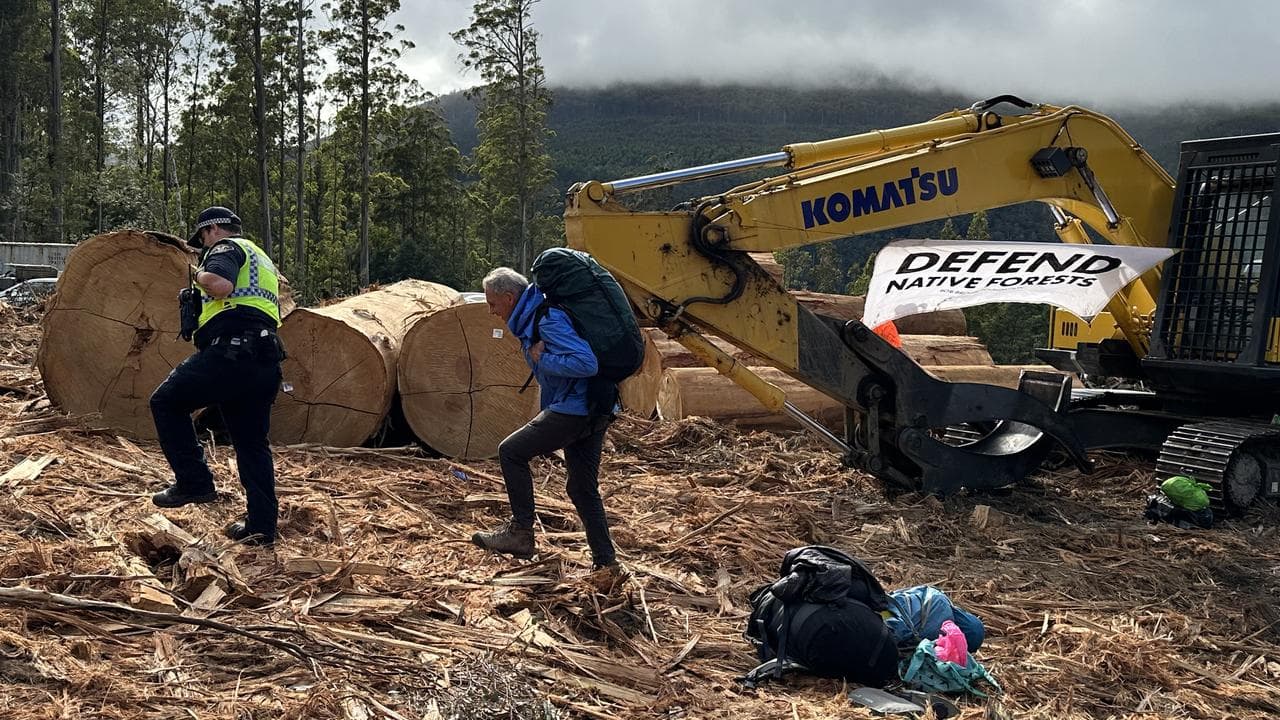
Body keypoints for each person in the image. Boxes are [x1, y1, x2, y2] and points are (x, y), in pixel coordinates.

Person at [149, 206, 285, 546]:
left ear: (212, 230)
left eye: (203, 238)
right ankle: (262, 527)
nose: (204, 245)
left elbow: (220, 284)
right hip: (264, 359)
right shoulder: (261, 259)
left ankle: (194, 481)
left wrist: (198, 276)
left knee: (166, 401)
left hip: (232, 353)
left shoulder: (225, 249)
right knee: (252, 444)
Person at [472, 267, 619, 570]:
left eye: (493, 304)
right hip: (595, 408)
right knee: (581, 488)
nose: (492, 312)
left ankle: (521, 534)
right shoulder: (535, 315)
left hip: (576, 409)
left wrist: (544, 358)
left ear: (510, 298)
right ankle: (606, 563)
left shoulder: (547, 319)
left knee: (510, 451)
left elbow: (585, 363)